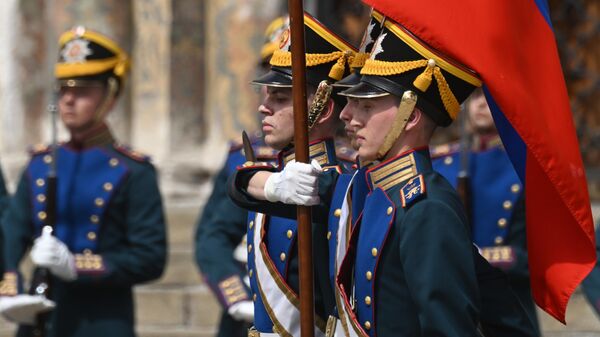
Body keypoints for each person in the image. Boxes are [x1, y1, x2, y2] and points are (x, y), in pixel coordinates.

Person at [230, 15, 539, 337]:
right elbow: (240, 187)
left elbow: (449, 326)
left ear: (410, 116)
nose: (347, 115)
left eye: (366, 105)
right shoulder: (361, 189)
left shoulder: (426, 208)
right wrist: (275, 183)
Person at [0, 26, 167, 337]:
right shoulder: (39, 164)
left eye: (83, 91)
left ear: (110, 96)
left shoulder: (134, 171)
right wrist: (11, 283)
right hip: (40, 315)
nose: (69, 100)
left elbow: (150, 257)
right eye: (64, 89)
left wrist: (76, 265)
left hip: (101, 319)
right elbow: (12, 232)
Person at [228, 12, 357, 337]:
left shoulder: (342, 181)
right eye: (267, 94)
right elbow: (239, 182)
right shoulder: (276, 174)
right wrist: (271, 184)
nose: (263, 107)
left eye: (281, 98)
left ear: (323, 108)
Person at [194, 16, 286, 337]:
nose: (270, 93)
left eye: (287, 81)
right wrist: (239, 296)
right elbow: (213, 236)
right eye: (269, 77)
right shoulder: (244, 157)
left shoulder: (346, 162)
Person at [431, 88, 539, 332]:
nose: (481, 104)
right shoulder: (441, 163)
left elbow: (531, 255)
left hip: (507, 305)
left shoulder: (522, 167)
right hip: (454, 305)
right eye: (476, 97)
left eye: (490, 98)